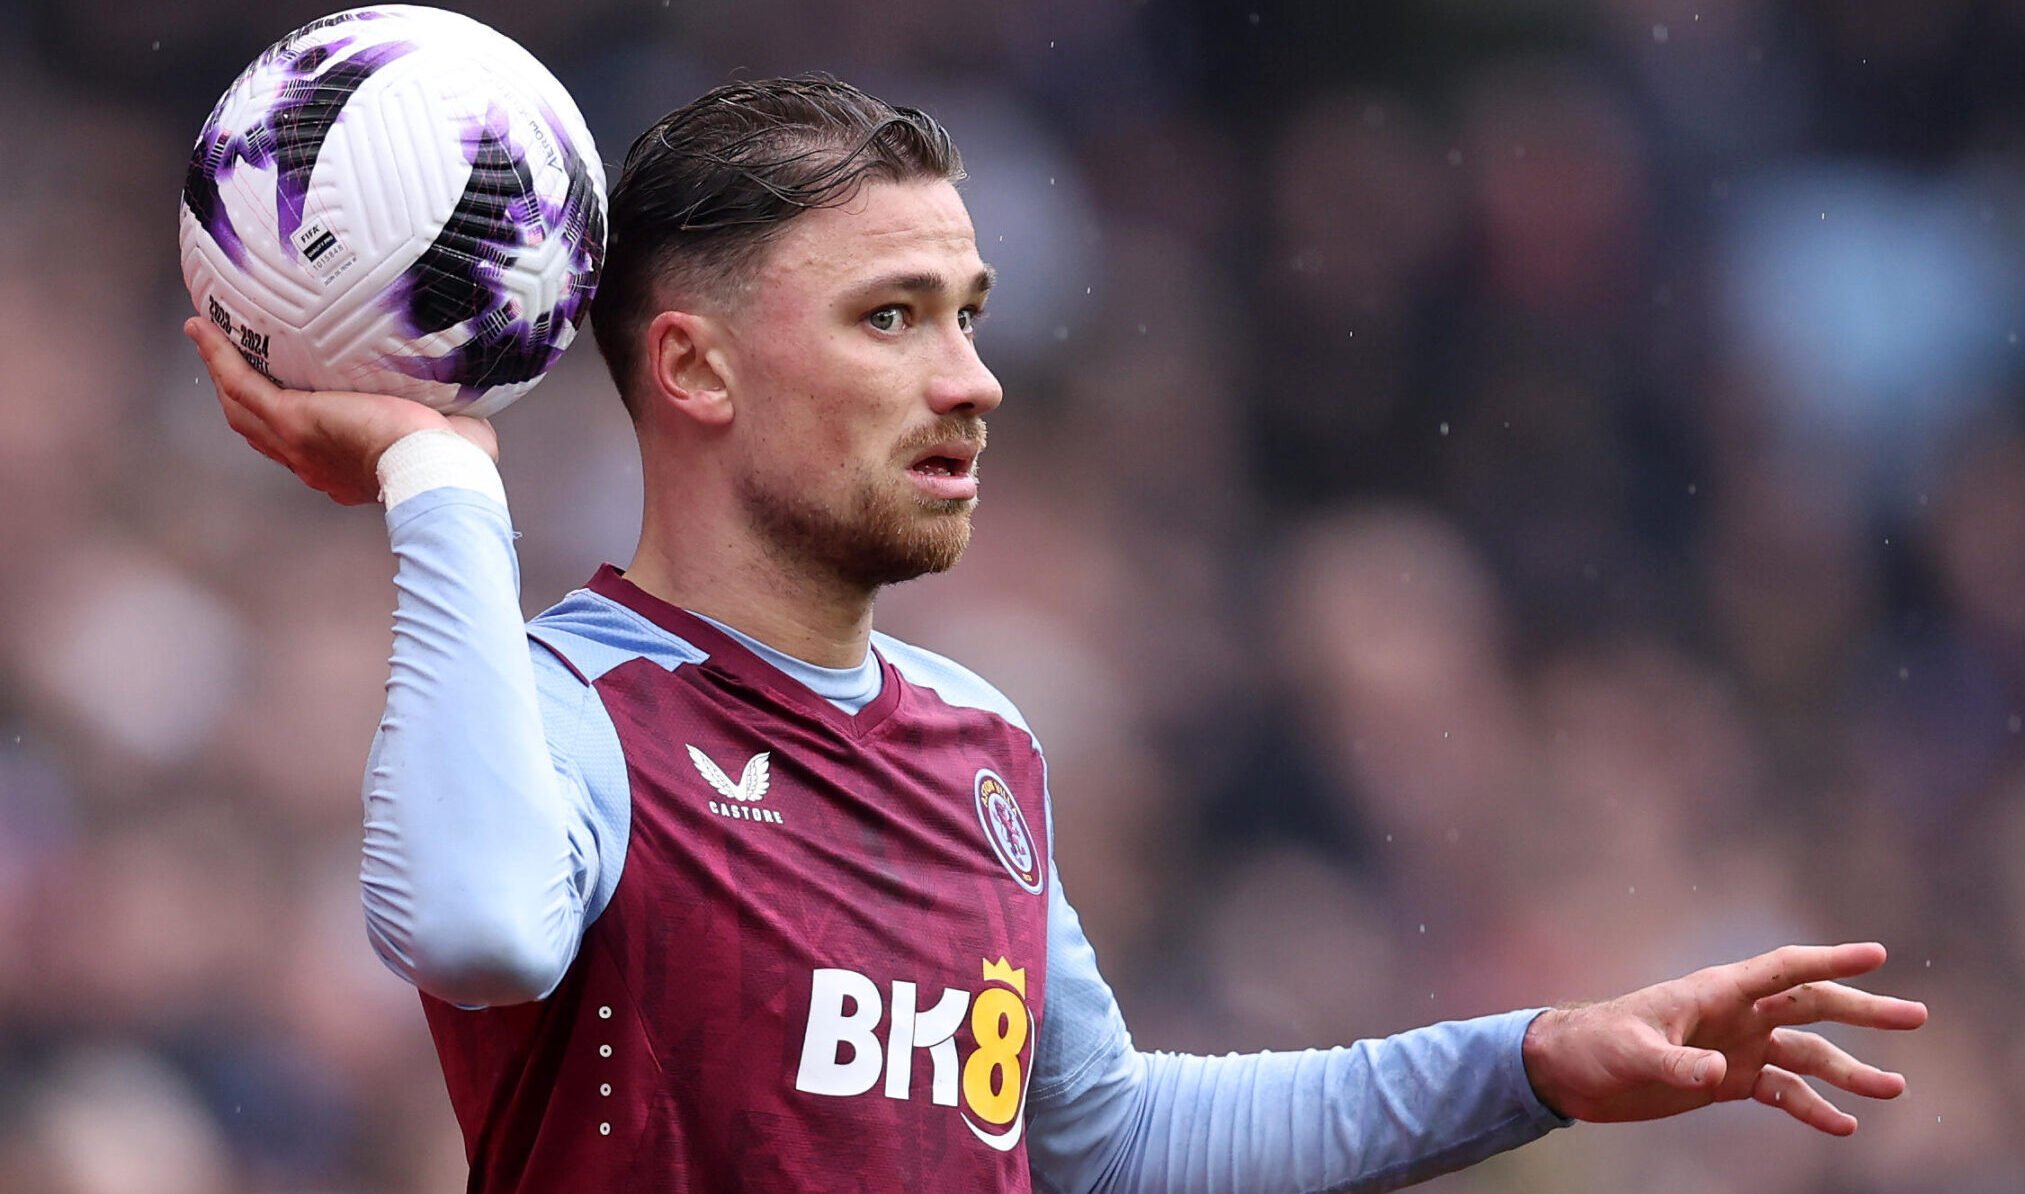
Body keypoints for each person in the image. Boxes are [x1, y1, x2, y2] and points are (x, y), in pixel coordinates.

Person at [187, 77, 1927, 1193]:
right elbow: (476, 928)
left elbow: (1101, 1136)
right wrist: (437, 473)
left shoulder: (980, 743)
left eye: (969, 315)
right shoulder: (572, 704)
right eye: (892, 318)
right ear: (694, 369)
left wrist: (1529, 1059)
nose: (972, 379)